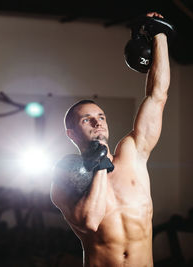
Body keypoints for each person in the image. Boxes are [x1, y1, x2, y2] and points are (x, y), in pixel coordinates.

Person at [50, 12, 170, 267]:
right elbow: (90, 221)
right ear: (71, 133)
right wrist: (99, 165)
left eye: (100, 116)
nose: (97, 122)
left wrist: (159, 34)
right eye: (86, 119)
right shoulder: (66, 177)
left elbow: (157, 97)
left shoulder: (133, 153)